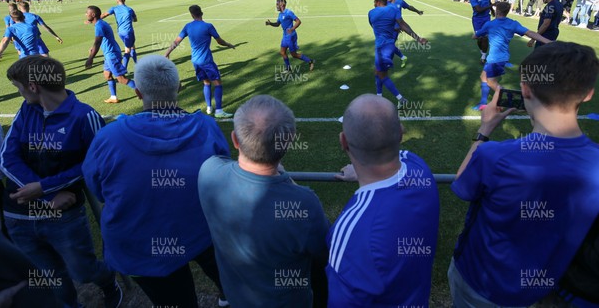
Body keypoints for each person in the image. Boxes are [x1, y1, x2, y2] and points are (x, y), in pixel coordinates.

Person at [449, 42, 599, 308]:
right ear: (588, 94)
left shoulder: (495, 156)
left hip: (479, 283)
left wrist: (483, 133)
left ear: (525, 90)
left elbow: (462, 184)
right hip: (538, 290)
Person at [82, 55, 230, 308]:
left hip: (140, 245)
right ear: (179, 87)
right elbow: (223, 174)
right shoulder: (206, 126)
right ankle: (228, 295)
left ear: (138, 92)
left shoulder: (108, 137)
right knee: (229, 276)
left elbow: (97, 188)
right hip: (200, 230)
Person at [0, 56, 122, 308]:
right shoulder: (26, 110)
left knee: (83, 271)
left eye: (17, 86)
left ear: (33, 86)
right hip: (19, 216)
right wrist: (44, 195)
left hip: (63, 216)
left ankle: (109, 282)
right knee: (50, 281)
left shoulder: (85, 116)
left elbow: (94, 165)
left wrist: (43, 187)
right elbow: (6, 158)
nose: (18, 92)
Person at [198, 95, 329, 308]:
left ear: (235, 139)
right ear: (288, 143)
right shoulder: (304, 202)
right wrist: (286, 179)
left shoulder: (209, 171)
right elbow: (324, 255)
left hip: (237, 296)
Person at [330, 94, 439, 307]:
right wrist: (361, 170)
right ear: (400, 133)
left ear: (343, 142)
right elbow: (399, 156)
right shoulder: (419, 168)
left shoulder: (351, 230)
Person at [471, 2, 551, 111]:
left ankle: (512, 99)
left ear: (498, 11)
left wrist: (477, 35)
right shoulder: (513, 24)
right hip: (501, 58)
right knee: (483, 77)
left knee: (491, 82)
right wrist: (548, 41)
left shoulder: (489, 24)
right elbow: (530, 33)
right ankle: (483, 103)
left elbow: (475, 36)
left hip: (495, 59)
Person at [165, 5, 235, 118]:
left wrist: (167, 53)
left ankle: (208, 107)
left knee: (206, 82)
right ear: (202, 13)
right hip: (206, 60)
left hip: (195, 61)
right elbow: (219, 41)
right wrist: (228, 44)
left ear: (192, 15)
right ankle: (218, 111)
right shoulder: (208, 26)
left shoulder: (188, 26)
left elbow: (176, 42)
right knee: (217, 83)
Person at [368, 0, 427, 107]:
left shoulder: (371, 13)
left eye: (374, 1)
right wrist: (418, 39)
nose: (374, 4)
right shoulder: (394, 10)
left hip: (381, 48)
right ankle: (379, 97)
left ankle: (401, 99)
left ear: (378, 2)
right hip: (390, 46)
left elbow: (372, 25)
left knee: (381, 74)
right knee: (378, 72)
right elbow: (403, 25)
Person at [85, 5, 136, 103]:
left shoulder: (99, 25)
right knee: (107, 74)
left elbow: (98, 42)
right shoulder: (100, 23)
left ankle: (145, 91)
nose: (86, 14)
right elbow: (99, 40)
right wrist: (92, 47)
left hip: (112, 54)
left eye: (87, 13)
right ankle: (113, 97)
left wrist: (90, 58)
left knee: (121, 79)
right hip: (109, 54)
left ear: (93, 14)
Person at [265, 0, 315, 72]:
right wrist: (270, 23)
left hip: (291, 36)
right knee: (282, 52)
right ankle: (288, 69)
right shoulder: (280, 14)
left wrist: (292, 28)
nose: (276, 6)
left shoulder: (288, 12)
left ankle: (310, 61)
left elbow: (298, 21)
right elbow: (278, 24)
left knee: (294, 55)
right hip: (285, 36)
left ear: (282, 5)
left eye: (277, 4)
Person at [385, 0, 424, 67]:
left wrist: (418, 11)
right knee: (389, 45)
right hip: (387, 27)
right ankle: (401, 58)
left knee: (390, 44)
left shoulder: (400, 2)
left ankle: (392, 61)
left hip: (396, 27)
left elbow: (409, 7)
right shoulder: (385, 2)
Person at [100, 0, 138, 69]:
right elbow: (135, 19)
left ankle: (137, 63)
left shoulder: (114, 8)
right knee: (128, 50)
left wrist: (95, 19)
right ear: (124, 0)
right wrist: (131, 19)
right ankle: (124, 68)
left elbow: (104, 15)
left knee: (132, 46)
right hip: (128, 32)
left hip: (120, 32)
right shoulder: (129, 9)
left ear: (117, 1)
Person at [470, 0, 494, 64]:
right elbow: (478, 10)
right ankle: (482, 51)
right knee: (479, 38)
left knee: (485, 38)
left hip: (486, 18)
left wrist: (493, 11)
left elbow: (489, 2)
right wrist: (491, 6)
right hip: (477, 19)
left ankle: (483, 57)